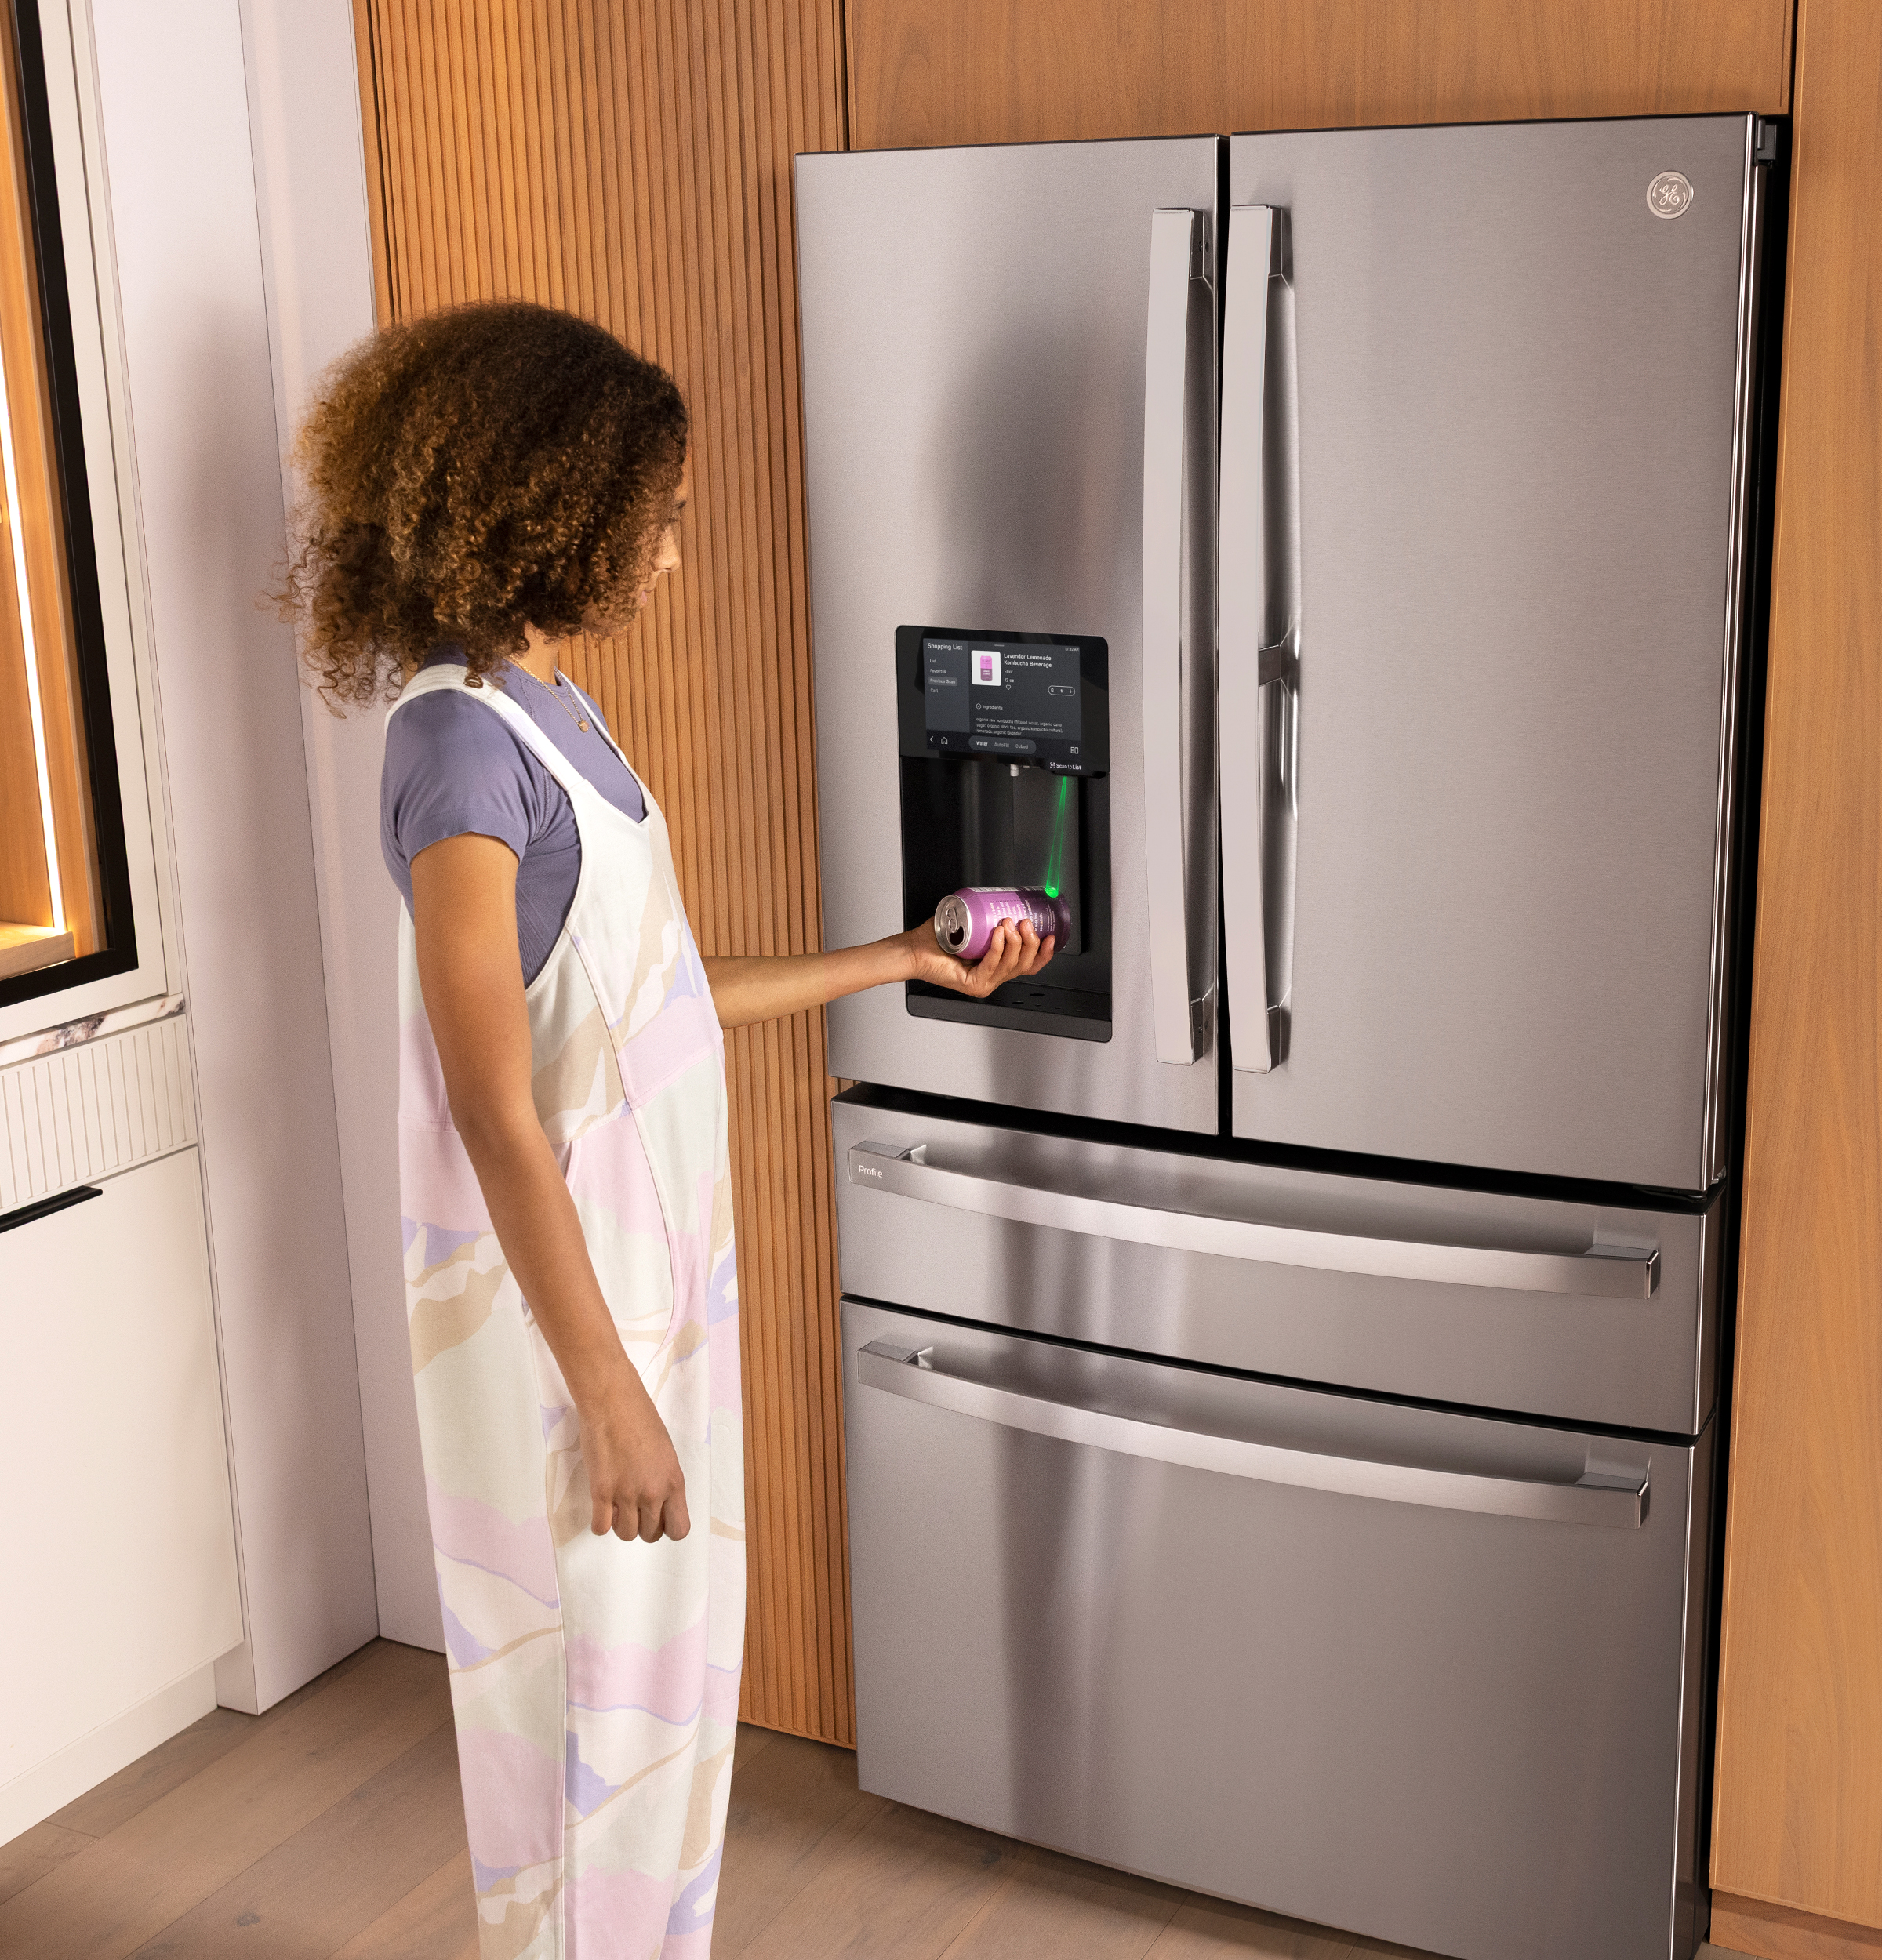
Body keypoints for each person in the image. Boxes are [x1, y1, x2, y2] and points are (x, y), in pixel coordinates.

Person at [282, 299, 1053, 1959]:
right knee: (591, 1736)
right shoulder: (455, 752)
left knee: (666, 1720)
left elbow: (656, 995)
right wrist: (612, 1396)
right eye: (664, 516)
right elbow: (494, 1108)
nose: (672, 556)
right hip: (573, 1346)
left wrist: (905, 956)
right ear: (545, 501)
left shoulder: (558, 711)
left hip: (656, 1304)